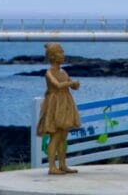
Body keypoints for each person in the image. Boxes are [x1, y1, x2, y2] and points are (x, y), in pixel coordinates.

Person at [37, 43, 81, 175]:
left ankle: (62, 164)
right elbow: (57, 85)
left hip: (65, 104)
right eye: (60, 52)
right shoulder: (49, 73)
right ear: (52, 56)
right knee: (55, 136)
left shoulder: (63, 71)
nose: (63, 54)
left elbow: (70, 85)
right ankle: (52, 166)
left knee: (63, 136)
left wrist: (75, 85)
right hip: (54, 105)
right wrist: (70, 83)